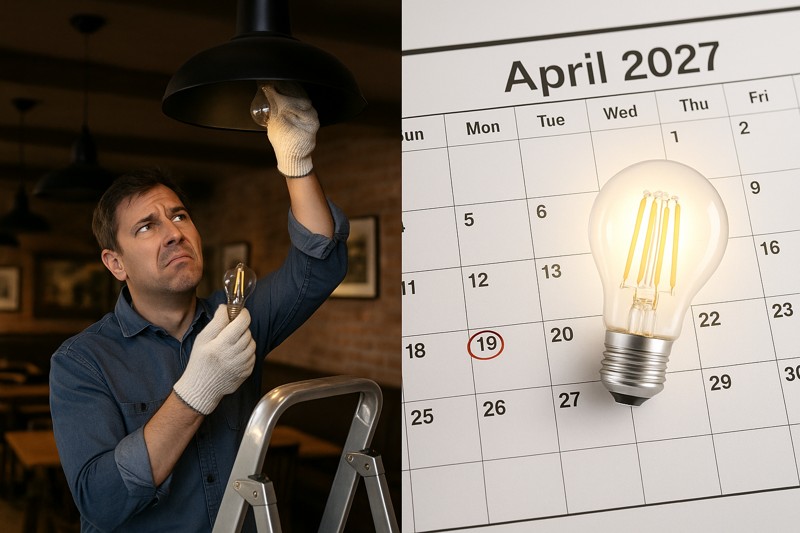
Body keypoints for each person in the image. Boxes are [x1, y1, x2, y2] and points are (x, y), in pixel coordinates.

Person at [49, 83, 349, 532]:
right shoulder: (81, 362)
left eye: (179, 215)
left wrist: (297, 163)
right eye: (147, 226)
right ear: (115, 263)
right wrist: (196, 392)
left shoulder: (237, 318)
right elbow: (101, 501)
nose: (173, 232)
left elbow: (318, 263)